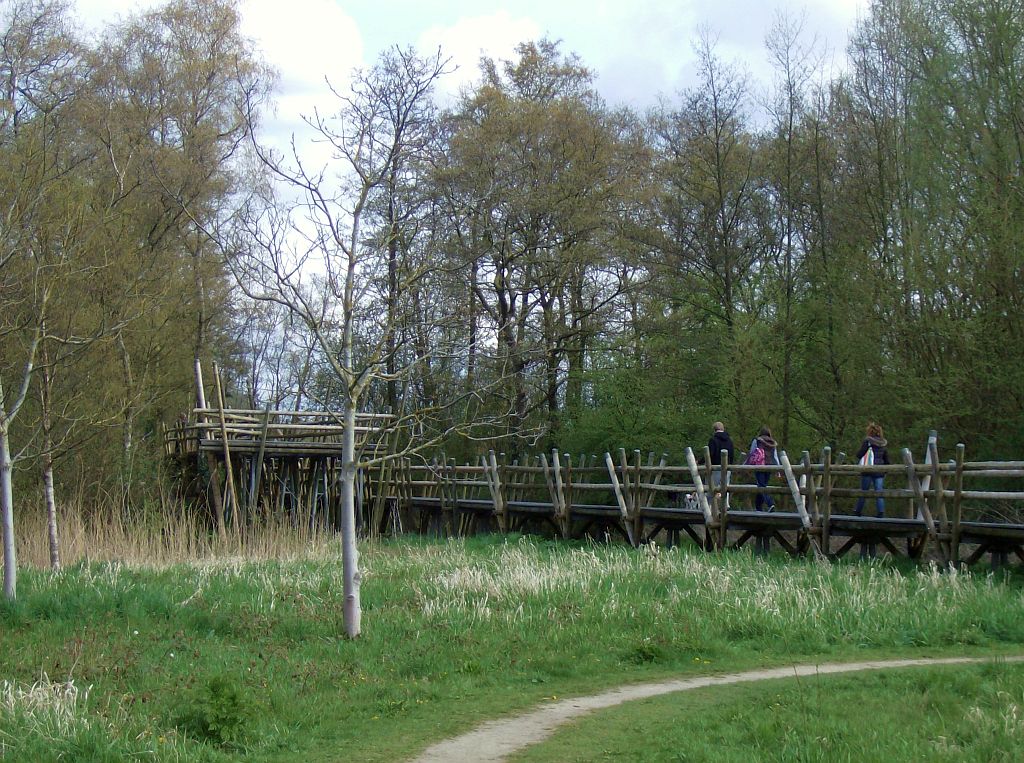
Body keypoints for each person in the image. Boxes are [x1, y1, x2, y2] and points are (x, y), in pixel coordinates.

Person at [854, 422, 890, 518]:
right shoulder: (883, 444)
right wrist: (885, 470)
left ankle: (858, 511)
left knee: (863, 492)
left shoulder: (867, 442)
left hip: (867, 469)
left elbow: (860, 454)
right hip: (879, 471)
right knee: (879, 492)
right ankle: (880, 512)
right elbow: (886, 459)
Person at [748, 427, 780, 512]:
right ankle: (758, 508)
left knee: (761, 486)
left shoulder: (757, 441)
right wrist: (778, 469)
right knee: (762, 485)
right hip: (769, 466)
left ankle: (770, 503)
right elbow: (775, 457)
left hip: (759, 465)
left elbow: (752, 453)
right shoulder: (772, 442)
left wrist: (747, 464)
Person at [707, 421, 735, 491]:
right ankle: (725, 502)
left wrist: (700, 461)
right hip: (727, 468)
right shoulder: (729, 440)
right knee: (725, 490)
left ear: (714, 430)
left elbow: (710, 454)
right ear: (723, 429)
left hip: (715, 468)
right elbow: (732, 454)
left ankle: (711, 502)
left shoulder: (713, 440)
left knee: (712, 490)